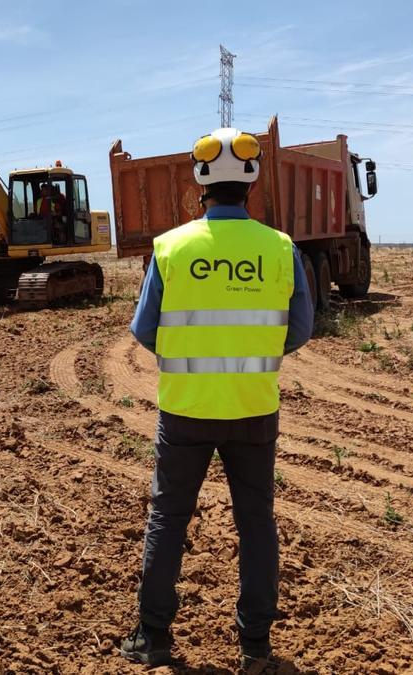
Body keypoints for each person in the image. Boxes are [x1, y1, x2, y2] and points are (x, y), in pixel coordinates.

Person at [120, 128, 314, 670]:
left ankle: (152, 637)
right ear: (252, 179)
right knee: (256, 521)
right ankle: (255, 646)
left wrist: (194, 351)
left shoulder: (172, 247)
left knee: (168, 518)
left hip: (185, 409)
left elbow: (144, 330)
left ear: (199, 180)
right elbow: (298, 331)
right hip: (254, 407)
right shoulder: (279, 248)